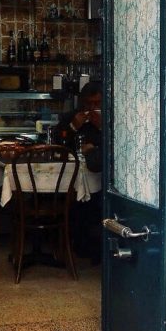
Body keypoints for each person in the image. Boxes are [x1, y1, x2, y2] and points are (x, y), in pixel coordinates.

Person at [55, 82, 102, 262]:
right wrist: (73, 127)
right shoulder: (71, 117)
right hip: (69, 182)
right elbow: (56, 143)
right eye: (88, 104)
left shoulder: (110, 118)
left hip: (99, 178)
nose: (92, 108)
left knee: (93, 207)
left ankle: (93, 248)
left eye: (97, 104)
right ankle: (75, 245)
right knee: (73, 206)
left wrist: (101, 128)